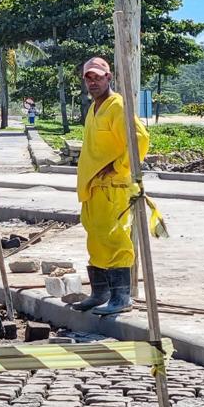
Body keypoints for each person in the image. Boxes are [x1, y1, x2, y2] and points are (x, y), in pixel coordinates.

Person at [71, 57, 160, 316]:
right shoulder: (94, 108)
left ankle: (121, 297)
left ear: (109, 77)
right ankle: (100, 293)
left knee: (115, 238)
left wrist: (118, 167)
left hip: (113, 187)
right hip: (94, 188)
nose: (93, 82)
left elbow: (140, 139)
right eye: (89, 78)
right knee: (96, 239)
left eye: (98, 77)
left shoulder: (117, 106)